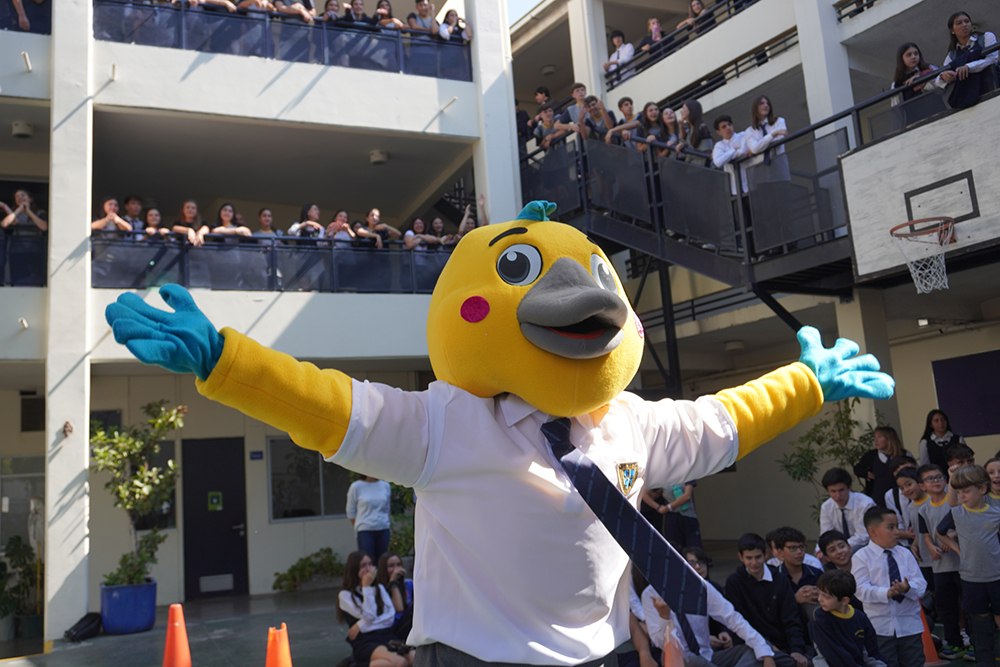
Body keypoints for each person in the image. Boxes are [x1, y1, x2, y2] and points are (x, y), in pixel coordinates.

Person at [643, 559, 778, 667]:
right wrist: (664, 617)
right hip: (680, 660)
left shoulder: (702, 587)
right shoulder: (650, 594)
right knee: (691, 660)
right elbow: (660, 643)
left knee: (754, 649)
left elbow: (733, 618)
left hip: (708, 656)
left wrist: (764, 652)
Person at [935, 465, 1000, 666]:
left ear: (982, 489)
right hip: (971, 578)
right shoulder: (957, 514)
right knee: (980, 625)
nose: (962, 496)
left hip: (997, 576)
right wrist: (957, 550)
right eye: (959, 492)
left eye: (967, 491)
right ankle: (985, 661)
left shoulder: (996, 513)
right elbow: (940, 532)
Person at [851, 507, 927, 667]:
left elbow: (921, 584)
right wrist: (887, 592)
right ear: (873, 531)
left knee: (915, 662)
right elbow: (859, 589)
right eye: (890, 527)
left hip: (909, 625)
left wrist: (907, 588)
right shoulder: (861, 557)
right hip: (880, 627)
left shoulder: (905, 554)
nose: (897, 532)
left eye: (897, 526)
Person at [725, 533, 811, 667]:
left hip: (782, 645)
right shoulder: (734, 582)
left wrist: (796, 649)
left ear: (766, 554)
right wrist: (765, 646)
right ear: (741, 557)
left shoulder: (780, 579)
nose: (754, 563)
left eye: (758, 557)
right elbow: (739, 621)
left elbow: (791, 617)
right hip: (751, 645)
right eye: (749, 558)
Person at [915, 464, 964, 659]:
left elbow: (965, 524)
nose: (936, 481)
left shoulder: (957, 502)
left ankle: (970, 640)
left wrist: (949, 537)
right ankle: (953, 642)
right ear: (922, 485)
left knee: (966, 604)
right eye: (930, 479)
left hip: (960, 563)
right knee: (945, 606)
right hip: (940, 565)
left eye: (939, 477)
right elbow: (925, 534)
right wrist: (930, 545)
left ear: (946, 480)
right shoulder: (923, 509)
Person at [338, 550, 414, 667]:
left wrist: (359, 626)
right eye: (363, 566)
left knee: (414, 658)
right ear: (354, 569)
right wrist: (366, 587)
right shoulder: (346, 595)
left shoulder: (379, 588)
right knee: (400, 662)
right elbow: (369, 615)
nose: (369, 569)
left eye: (370, 564)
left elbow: (389, 618)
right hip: (365, 640)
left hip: (386, 635)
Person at [809, 570, 887, 667]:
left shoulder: (860, 618)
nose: (819, 599)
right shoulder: (819, 618)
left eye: (826, 597)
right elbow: (833, 654)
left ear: (844, 600)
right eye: (819, 594)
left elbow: (872, 652)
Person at [935, 12, 998, 109]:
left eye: (967, 21)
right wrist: (944, 76)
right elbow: (938, 80)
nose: (964, 25)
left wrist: (968, 67)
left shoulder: (986, 37)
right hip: (971, 99)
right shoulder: (952, 55)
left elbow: (993, 59)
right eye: (959, 23)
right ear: (952, 30)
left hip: (994, 87)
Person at [772, 527, 824, 632]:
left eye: (801, 547)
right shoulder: (774, 577)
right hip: (785, 630)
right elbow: (770, 610)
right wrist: (794, 599)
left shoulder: (816, 573)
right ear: (780, 552)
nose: (799, 552)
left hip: (815, 627)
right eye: (793, 548)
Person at [893, 468, 933, 600]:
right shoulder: (911, 507)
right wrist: (914, 545)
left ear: (920, 483)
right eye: (902, 488)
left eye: (909, 484)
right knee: (934, 593)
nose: (906, 490)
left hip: (939, 555)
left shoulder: (932, 501)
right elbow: (918, 531)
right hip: (925, 558)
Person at [819, 467, 876, 555]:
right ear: (827, 491)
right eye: (833, 491)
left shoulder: (865, 504)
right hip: (839, 550)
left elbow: (863, 536)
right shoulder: (826, 506)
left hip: (865, 549)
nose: (838, 495)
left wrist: (840, 548)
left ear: (849, 487)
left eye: (841, 490)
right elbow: (826, 534)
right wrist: (820, 551)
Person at [889, 43, 945, 129]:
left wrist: (922, 79)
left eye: (916, 53)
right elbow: (896, 110)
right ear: (901, 59)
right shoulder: (897, 84)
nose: (913, 57)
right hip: (915, 125)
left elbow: (941, 89)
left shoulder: (930, 68)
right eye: (909, 55)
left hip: (939, 116)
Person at [853, 426, 911, 505]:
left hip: (901, 496)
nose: (876, 441)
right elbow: (857, 469)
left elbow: (915, 472)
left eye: (879, 437)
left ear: (889, 439)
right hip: (878, 497)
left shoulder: (904, 454)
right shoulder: (871, 455)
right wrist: (866, 473)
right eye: (875, 438)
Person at [743, 95, 790, 187]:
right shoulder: (750, 131)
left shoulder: (779, 121)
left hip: (779, 169)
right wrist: (774, 134)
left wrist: (760, 145)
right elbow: (755, 149)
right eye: (762, 103)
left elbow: (779, 142)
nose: (766, 105)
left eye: (767, 103)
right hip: (760, 173)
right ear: (755, 108)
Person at [346, 475, 392, 559]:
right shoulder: (356, 486)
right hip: (365, 530)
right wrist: (359, 525)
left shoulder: (385, 486)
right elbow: (350, 511)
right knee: (367, 560)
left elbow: (386, 508)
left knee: (382, 560)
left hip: (383, 528)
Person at [376, 551, 414, 639]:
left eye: (399, 565)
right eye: (391, 566)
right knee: (413, 610)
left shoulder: (409, 584)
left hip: (411, 626)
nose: (396, 569)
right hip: (394, 628)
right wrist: (393, 583)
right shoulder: (380, 588)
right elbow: (399, 609)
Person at [660, 481, 702, 550]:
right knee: (674, 549)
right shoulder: (662, 477)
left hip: (689, 515)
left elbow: (687, 496)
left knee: (694, 549)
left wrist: (668, 507)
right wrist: (658, 507)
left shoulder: (686, 473)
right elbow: (646, 494)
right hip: (671, 517)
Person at [883, 457, 916, 542]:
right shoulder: (891, 495)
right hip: (904, 541)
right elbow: (897, 522)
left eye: (912, 469)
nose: (908, 473)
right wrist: (907, 534)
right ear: (895, 474)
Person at [712, 115, 748, 195]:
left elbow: (743, 151)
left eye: (729, 124)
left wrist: (727, 155)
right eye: (724, 127)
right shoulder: (719, 145)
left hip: (752, 182)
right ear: (718, 132)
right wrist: (733, 150)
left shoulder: (743, 135)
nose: (728, 127)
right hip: (735, 189)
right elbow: (718, 162)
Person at [677, 99, 712, 165]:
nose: (681, 111)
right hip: (692, 167)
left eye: (683, 108)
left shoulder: (702, 128)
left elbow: (707, 153)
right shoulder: (689, 129)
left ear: (691, 110)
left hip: (702, 168)